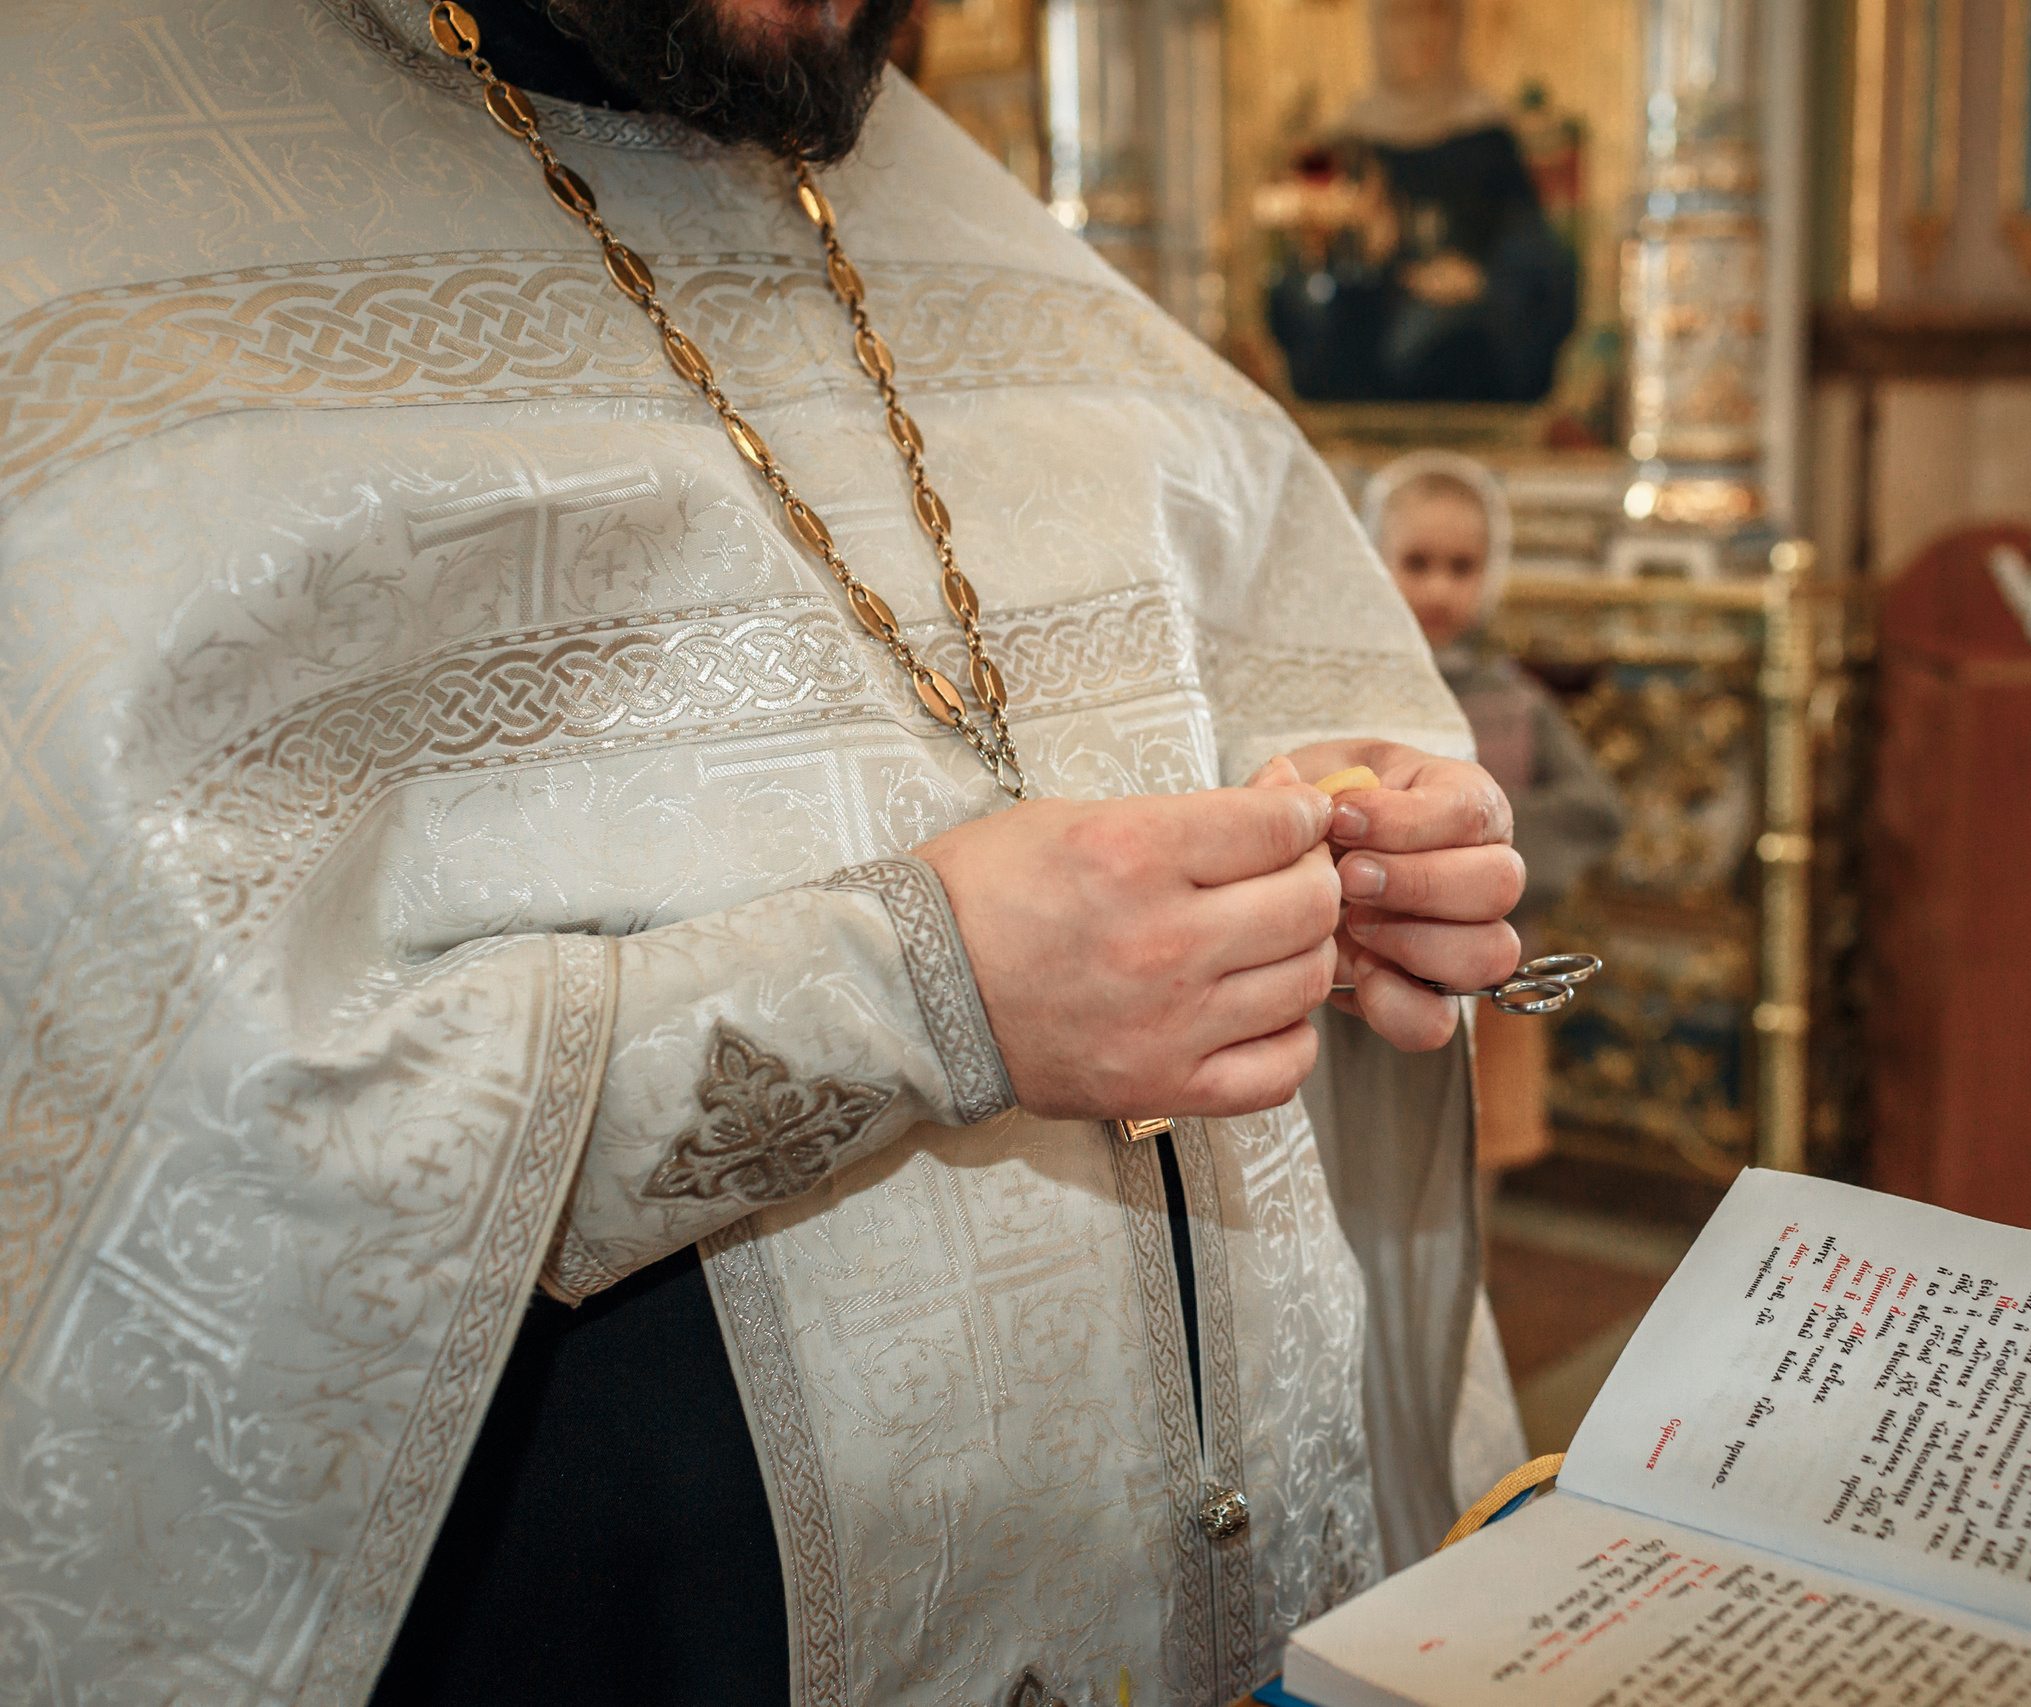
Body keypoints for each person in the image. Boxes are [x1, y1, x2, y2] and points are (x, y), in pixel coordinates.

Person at [0, 2, 1534, 1702]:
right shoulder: (64, 241)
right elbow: (153, 1186)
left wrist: (1338, 850)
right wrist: (918, 990)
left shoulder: (935, 202)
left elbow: (1225, 664)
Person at [1363, 454, 1622, 1180]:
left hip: (1497, 974)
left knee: (1476, 1167)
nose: (1439, 587)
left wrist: (1491, 862)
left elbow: (1593, 808)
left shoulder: (1515, 700)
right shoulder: (1357, 701)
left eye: (1461, 565)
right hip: (1382, 980)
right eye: (1416, 562)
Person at [1261, 0, 1579, 404]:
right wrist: (1342, 258)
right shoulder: (1343, 146)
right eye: (1403, 19)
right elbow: (1297, 299)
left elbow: (1542, 275)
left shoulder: (1488, 143)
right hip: (1358, 387)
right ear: (1376, 30)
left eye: (1436, 16)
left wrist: (1481, 284)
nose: (1422, 36)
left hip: (1468, 382)